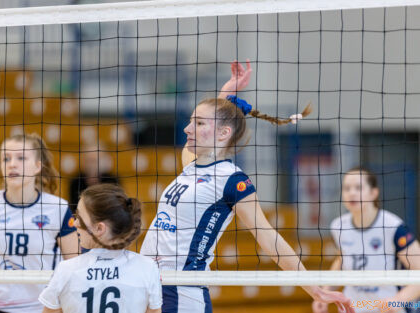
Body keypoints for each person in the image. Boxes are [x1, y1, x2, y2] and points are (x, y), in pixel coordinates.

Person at [140, 60, 354, 313]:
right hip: (151, 282)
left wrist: (313, 288)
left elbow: (267, 236)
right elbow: (208, 130)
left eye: (198, 124)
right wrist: (226, 94)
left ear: (223, 133)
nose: (187, 129)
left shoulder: (232, 179)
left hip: (182, 289)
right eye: (191, 121)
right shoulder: (192, 166)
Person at [0, 133, 79, 313]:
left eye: (21, 158)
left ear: (37, 166)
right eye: (6, 158)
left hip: (40, 308)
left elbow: (75, 268)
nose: (12, 164)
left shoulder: (57, 208)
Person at [39, 183, 162, 313]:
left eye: (79, 217)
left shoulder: (66, 270)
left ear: (99, 228)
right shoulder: (147, 268)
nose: (75, 223)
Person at [312, 167, 420, 313]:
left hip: (387, 308)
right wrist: (324, 294)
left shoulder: (393, 227)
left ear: (373, 193)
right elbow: (342, 260)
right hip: (353, 308)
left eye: (358, 187)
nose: (352, 193)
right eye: (347, 188)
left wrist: (397, 301)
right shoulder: (338, 226)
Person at [69, 142, 118, 212]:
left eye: (95, 161)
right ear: (83, 161)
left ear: (103, 161)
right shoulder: (76, 182)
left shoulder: (112, 181)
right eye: (89, 160)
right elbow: (74, 208)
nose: (91, 165)